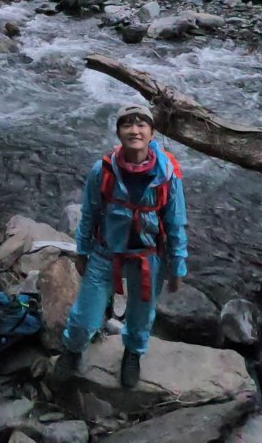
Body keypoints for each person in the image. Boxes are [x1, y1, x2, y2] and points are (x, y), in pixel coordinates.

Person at [54, 103, 188, 388]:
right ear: (118, 132)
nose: (134, 130)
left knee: (141, 316)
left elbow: (176, 222)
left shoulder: (167, 174)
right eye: (127, 124)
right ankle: (72, 349)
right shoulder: (102, 170)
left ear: (152, 132)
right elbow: (89, 213)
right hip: (105, 253)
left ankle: (133, 354)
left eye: (141, 124)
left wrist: (178, 265)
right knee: (82, 318)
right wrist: (82, 250)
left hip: (147, 256)